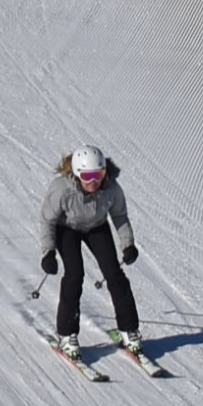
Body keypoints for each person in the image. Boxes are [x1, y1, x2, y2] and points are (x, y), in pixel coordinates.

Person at [37, 145, 141, 359]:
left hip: (97, 226)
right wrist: (48, 252)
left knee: (115, 275)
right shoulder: (62, 189)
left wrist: (128, 244)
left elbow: (119, 216)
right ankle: (67, 335)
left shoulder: (112, 189)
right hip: (67, 228)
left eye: (98, 175)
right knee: (75, 275)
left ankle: (129, 330)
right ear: (77, 174)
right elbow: (48, 220)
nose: (93, 181)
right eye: (87, 176)